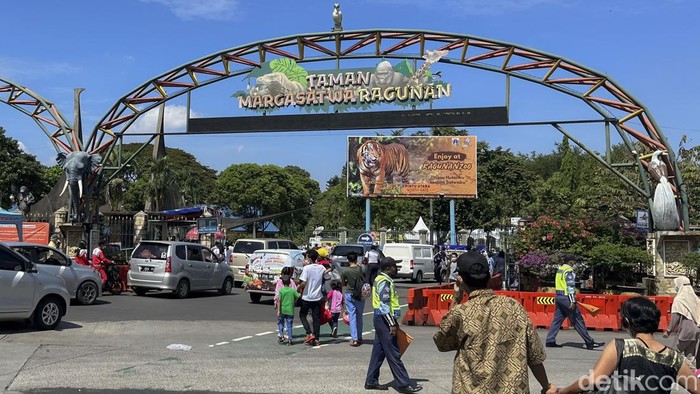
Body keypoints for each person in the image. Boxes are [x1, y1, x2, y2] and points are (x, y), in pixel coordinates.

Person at [433, 251, 553, 394]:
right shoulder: (514, 307)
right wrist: (546, 386)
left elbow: (442, 342)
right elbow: (534, 356)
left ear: (460, 280)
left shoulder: (461, 312)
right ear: (489, 277)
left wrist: (456, 299)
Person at [556, 297, 700, 394]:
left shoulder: (621, 346)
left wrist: (561, 392)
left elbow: (594, 380)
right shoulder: (674, 357)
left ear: (626, 321)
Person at [365, 257, 422, 393]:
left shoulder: (381, 279)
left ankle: (371, 380)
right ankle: (403, 383)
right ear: (388, 268)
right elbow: (384, 305)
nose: (396, 269)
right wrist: (391, 323)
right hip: (385, 319)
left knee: (378, 352)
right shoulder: (384, 282)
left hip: (381, 319)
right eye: (394, 267)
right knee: (393, 352)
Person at [545, 261, 604, 350]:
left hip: (559, 297)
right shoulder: (569, 271)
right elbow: (570, 287)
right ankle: (589, 342)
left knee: (557, 320)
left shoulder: (560, 270)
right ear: (571, 261)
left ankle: (550, 340)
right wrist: (572, 300)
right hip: (567, 298)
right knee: (578, 320)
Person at [665, 276, 700, 367]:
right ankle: (694, 377)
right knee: (690, 357)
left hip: (685, 331)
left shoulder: (679, 300)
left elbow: (675, 318)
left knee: (674, 354)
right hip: (696, 331)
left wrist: (668, 331)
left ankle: (671, 375)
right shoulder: (695, 299)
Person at [297, 248, 327, 346]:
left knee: (302, 315)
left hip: (307, 296)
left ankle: (309, 333)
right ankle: (317, 338)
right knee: (316, 318)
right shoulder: (321, 268)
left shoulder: (307, 268)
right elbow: (327, 274)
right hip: (317, 297)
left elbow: (303, 282)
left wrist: (298, 287)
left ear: (309, 258)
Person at [341, 251, 365, 347]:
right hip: (360, 294)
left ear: (348, 260)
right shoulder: (361, 269)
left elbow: (343, 283)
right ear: (356, 259)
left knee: (352, 316)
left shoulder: (345, 271)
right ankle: (359, 337)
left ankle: (354, 338)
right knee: (359, 316)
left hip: (349, 293)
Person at [276, 275, 299, 346]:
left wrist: (278, 311)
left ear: (282, 282)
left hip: (282, 310)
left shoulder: (281, 291)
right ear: (290, 282)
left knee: (280, 323)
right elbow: (298, 296)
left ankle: (281, 335)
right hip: (290, 311)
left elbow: (279, 301)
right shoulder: (292, 291)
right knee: (289, 325)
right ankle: (289, 339)